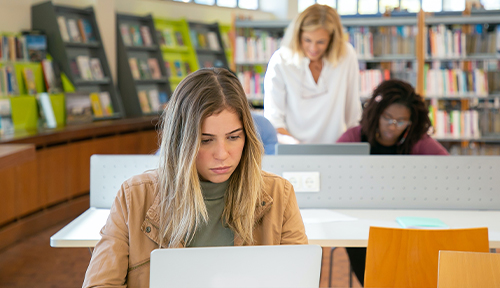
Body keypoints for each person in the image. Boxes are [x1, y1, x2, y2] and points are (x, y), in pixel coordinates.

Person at [82, 68, 308, 288]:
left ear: (247, 137)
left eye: (233, 137)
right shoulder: (135, 197)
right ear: (181, 142)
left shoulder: (279, 194)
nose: (222, 154)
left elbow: (299, 281)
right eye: (205, 140)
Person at [337, 79, 448, 286]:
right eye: (387, 118)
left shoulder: (418, 141)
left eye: (401, 121)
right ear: (376, 113)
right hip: (362, 219)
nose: (393, 126)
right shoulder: (354, 137)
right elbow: (334, 171)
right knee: (368, 261)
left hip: (406, 219)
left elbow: (449, 170)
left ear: (411, 121)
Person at [263, 4, 362, 144]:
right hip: (292, 151)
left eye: (321, 42)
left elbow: (353, 114)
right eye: (307, 40)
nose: (313, 48)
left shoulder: (346, 55)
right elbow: (274, 120)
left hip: (337, 150)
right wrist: (297, 148)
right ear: (298, 36)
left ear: (332, 40)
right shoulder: (280, 60)